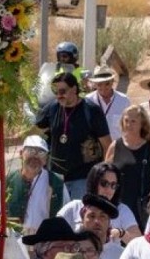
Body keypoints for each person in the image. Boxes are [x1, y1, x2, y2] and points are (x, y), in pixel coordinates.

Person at [35, 71, 112, 199]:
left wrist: (103, 175)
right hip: (57, 177)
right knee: (57, 217)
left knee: (79, 216)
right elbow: (36, 131)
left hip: (83, 177)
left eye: (63, 91)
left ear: (74, 89)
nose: (59, 95)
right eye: (56, 92)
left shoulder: (91, 110)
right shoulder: (53, 108)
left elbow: (107, 145)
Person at [105, 102, 150, 226]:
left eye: (133, 121)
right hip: (120, 204)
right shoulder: (115, 146)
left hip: (145, 206)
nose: (129, 124)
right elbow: (104, 174)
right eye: (126, 120)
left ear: (142, 124)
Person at [56, 164, 142, 247]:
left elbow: (139, 242)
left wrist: (121, 233)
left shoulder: (122, 210)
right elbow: (54, 231)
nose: (108, 190)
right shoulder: (74, 207)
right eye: (104, 183)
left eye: (113, 185)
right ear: (94, 183)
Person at [5, 135, 66, 230]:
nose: (35, 157)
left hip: (44, 240)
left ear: (46, 159)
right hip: (13, 240)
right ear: (21, 153)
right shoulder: (8, 180)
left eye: (41, 153)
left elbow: (66, 215)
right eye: (31, 151)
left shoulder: (56, 182)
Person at [84, 66, 130, 143]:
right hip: (95, 148)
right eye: (99, 84)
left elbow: (128, 125)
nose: (103, 87)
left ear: (112, 82)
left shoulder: (124, 100)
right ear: (95, 84)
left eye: (107, 83)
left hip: (118, 147)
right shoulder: (88, 100)